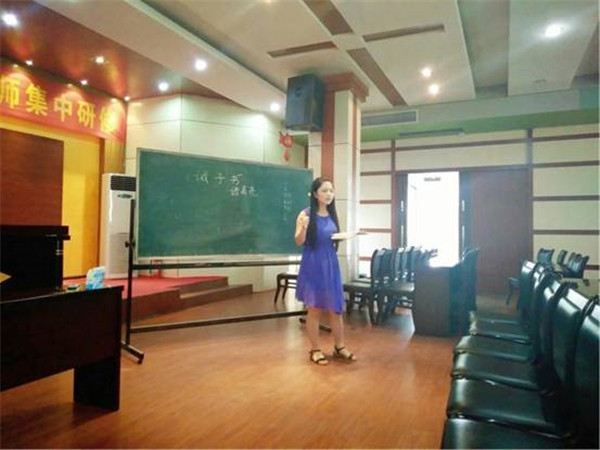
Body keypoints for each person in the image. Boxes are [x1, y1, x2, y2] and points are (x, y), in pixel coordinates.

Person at [295, 177, 357, 365]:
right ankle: (315, 349)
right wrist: (303, 228)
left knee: (336, 308)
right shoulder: (305, 214)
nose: (329, 194)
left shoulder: (332, 214)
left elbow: (331, 237)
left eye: (331, 190)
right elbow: (298, 241)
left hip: (330, 264)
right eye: (324, 191)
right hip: (313, 264)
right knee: (314, 309)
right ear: (315, 194)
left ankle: (339, 346)